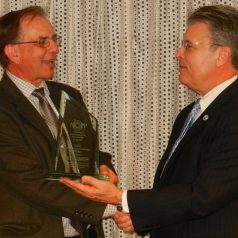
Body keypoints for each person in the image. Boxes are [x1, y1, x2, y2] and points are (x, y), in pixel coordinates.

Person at [61, 4, 238, 238]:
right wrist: (145, 218)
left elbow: (203, 196)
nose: (178, 53)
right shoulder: (189, 113)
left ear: (222, 55)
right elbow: (177, 189)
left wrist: (120, 197)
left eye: (188, 46)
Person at [0, 6, 118, 238]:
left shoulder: (68, 95)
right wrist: (111, 205)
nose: (55, 48)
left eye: (54, 40)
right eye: (42, 42)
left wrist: (105, 170)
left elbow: (85, 151)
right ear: (13, 52)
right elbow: (29, 180)